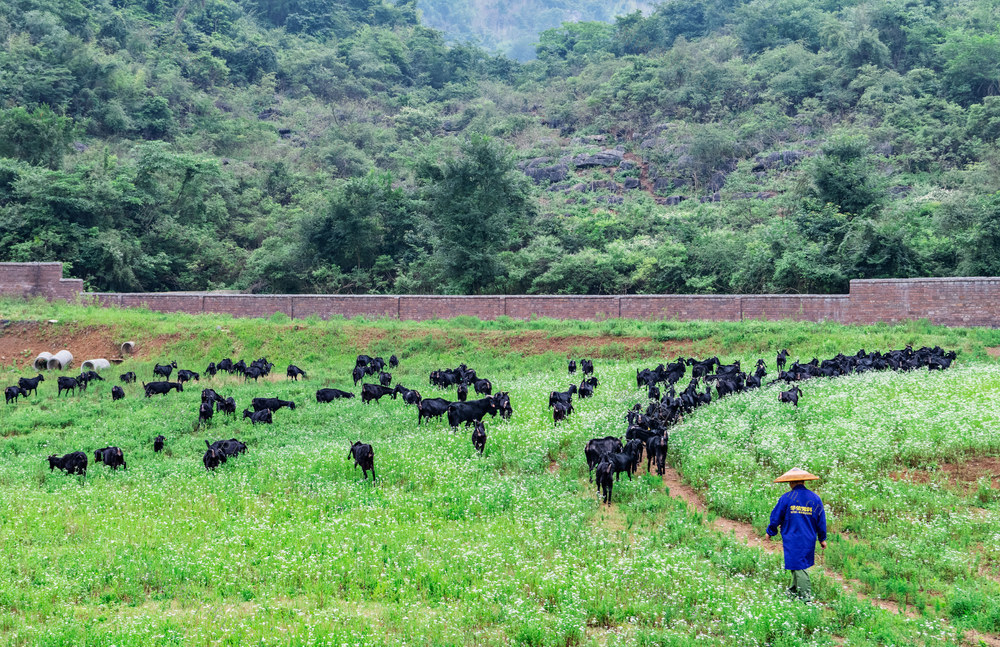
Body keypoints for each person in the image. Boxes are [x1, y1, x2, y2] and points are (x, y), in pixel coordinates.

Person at [766, 467, 827, 601]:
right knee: (797, 563)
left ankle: (805, 599)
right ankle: (793, 592)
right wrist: (822, 538)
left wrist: (771, 531)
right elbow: (821, 520)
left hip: (792, 537)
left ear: (791, 483)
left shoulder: (786, 498)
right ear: (803, 481)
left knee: (799, 567)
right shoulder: (815, 499)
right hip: (808, 538)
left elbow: (776, 517)